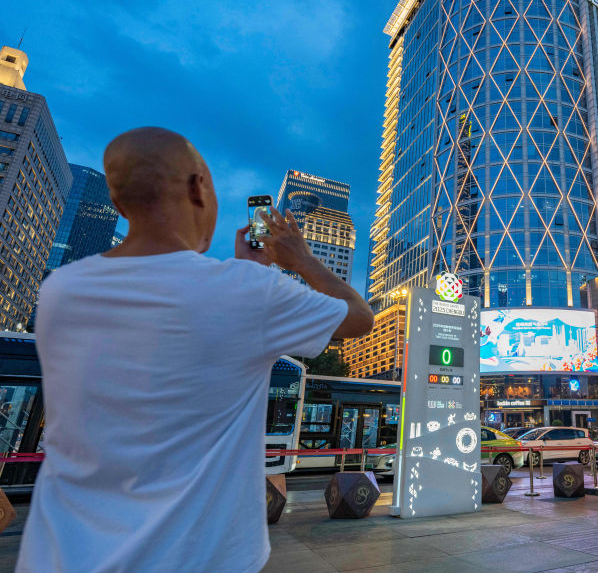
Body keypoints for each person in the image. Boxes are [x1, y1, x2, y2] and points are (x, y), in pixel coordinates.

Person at [16, 128, 374, 571]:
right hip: (193, 556)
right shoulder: (246, 291)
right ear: (198, 188)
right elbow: (359, 318)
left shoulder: (62, 290)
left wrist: (250, 276)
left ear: (119, 203)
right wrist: (297, 259)